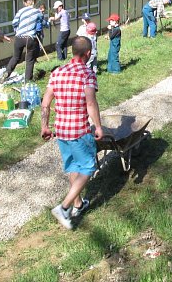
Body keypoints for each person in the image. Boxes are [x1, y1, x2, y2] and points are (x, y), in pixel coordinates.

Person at [40, 36, 103, 230]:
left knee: (73, 166)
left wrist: (45, 126)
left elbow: (45, 103)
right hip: (79, 130)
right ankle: (64, 206)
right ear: (88, 53)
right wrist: (98, 126)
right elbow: (90, 103)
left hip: (61, 130)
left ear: (72, 52)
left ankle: (78, 204)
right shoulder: (87, 74)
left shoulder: (57, 72)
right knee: (88, 167)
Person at [0, 0, 43, 83]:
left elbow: (14, 22)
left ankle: (7, 73)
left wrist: (17, 30)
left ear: (25, 3)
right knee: (29, 60)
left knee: (16, 57)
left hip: (19, 37)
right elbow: (41, 21)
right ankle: (27, 81)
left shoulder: (20, 11)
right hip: (30, 38)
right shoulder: (37, 12)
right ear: (34, 2)